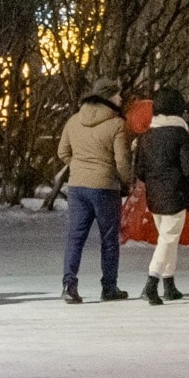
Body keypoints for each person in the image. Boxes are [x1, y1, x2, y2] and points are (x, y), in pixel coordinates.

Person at [54, 86, 131, 303]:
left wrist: (79, 166)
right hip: (105, 187)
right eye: (117, 94)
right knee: (108, 240)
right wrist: (126, 181)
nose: (121, 97)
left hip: (77, 187)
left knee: (75, 237)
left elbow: (62, 152)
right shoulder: (117, 124)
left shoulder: (73, 120)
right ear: (107, 96)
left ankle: (69, 285)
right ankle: (109, 287)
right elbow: (122, 161)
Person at [132, 87, 189, 306]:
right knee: (168, 238)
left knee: (167, 238)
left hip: (155, 194)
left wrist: (155, 181)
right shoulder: (180, 134)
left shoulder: (147, 136)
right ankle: (151, 283)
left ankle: (169, 284)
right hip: (176, 192)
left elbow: (140, 170)